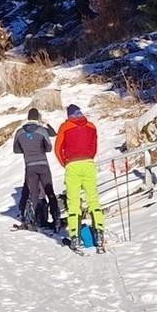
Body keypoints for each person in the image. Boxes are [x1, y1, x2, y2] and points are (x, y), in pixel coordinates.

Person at [55, 103, 105, 251]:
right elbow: (94, 146)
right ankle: (99, 234)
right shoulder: (91, 126)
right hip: (88, 163)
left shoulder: (65, 127)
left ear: (69, 115)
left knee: (73, 201)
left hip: (72, 165)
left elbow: (58, 149)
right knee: (93, 199)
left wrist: (66, 163)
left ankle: (75, 237)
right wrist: (89, 157)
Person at [11, 107, 60, 229]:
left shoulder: (19, 132)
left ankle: (37, 220)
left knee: (33, 194)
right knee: (50, 192)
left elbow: (16, 150)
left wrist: (27, 150)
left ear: (28, 117)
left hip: (29, 166)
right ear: (38, 117)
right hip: (43, 164)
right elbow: (49, 147)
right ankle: (56, 218)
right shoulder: (41, 130)